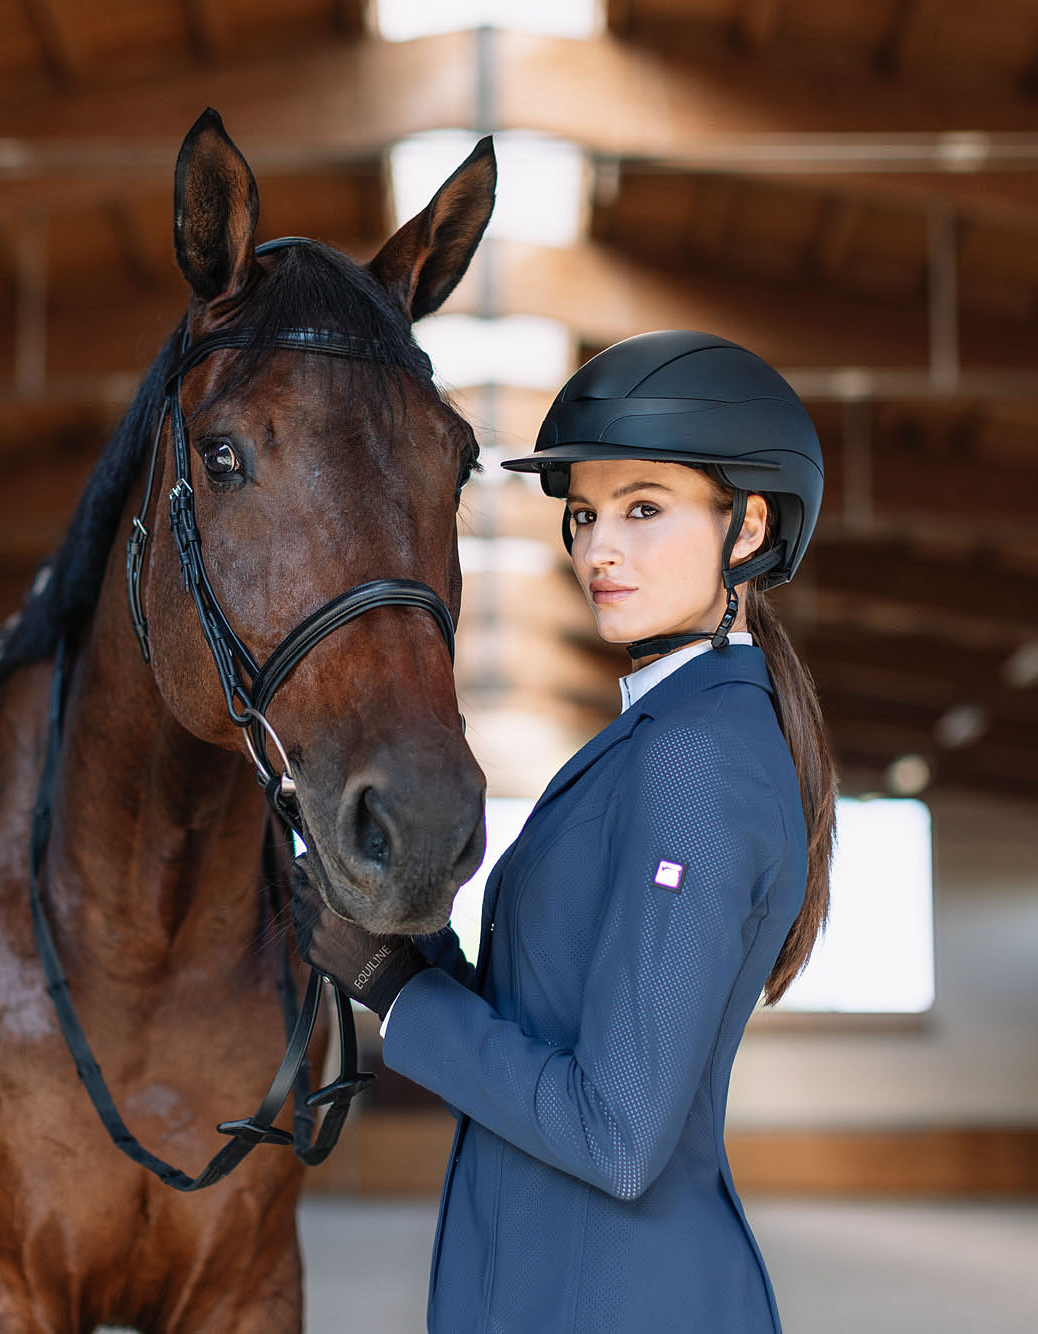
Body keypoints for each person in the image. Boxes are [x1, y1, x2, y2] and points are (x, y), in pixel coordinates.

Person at [295, 329, 838, 1333]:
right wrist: (399, 940)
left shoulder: (696, 760)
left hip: (622, 1296)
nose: (596, 548)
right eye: (584, 515)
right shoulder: (653, 739)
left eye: (642, 509)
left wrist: (398, 995)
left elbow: (619, 1131)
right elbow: (542, 1030)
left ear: (748, 527)